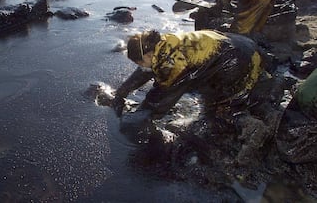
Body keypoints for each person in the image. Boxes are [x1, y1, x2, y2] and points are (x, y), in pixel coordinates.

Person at [113, 29, 271, 164]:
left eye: (139, 62)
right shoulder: (165, 44)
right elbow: (146, 71)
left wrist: (141, 116)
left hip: (235, 61)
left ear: (147, 56)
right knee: (215, 94)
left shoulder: (172, 62)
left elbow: (163, 95)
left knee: (222, 110)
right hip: (242, 45)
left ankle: (252, 127)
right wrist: (122, 92)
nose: (140, 66)